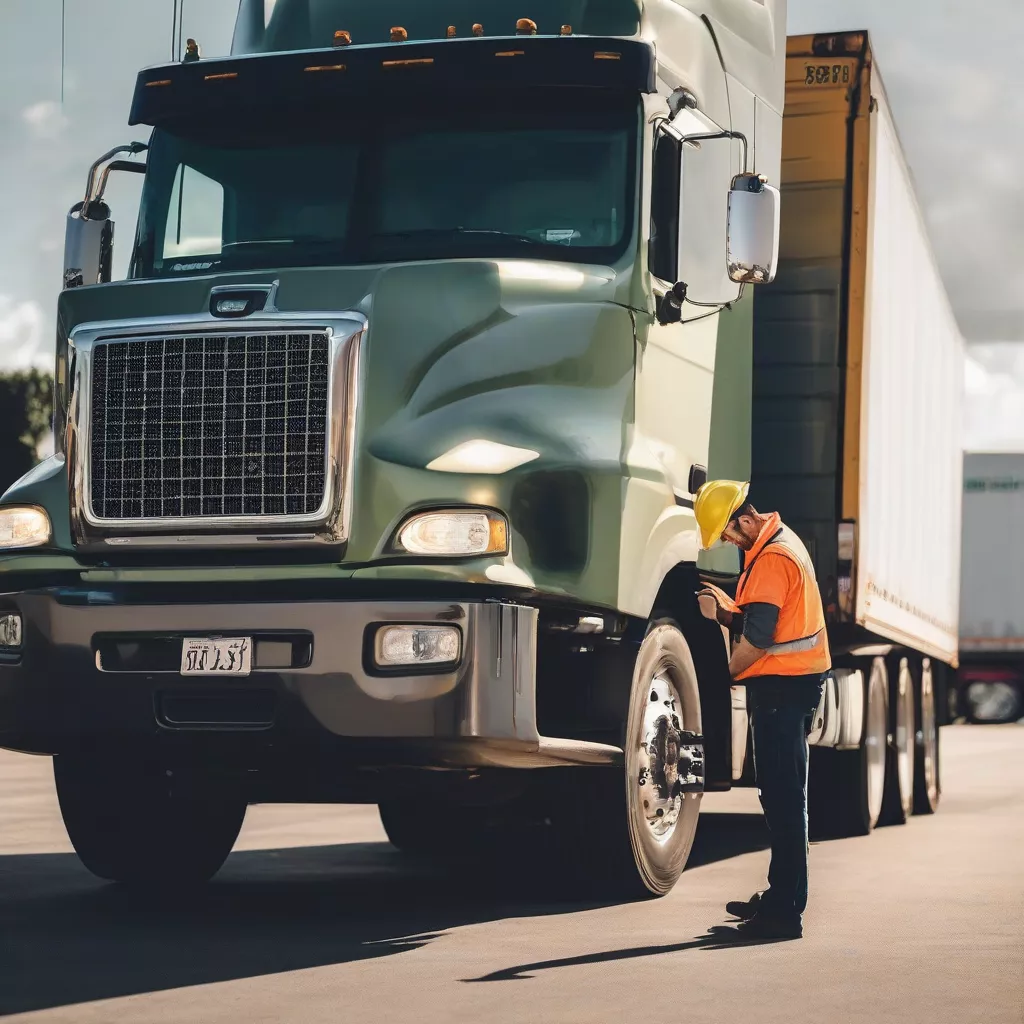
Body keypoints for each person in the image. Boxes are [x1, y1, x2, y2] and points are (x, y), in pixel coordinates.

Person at [693, 479, 831, 940]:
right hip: (791, 685)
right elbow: (762, 619)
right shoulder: (776, 544)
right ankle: (783, 897)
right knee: (787, 798)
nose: (728, 543)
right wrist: (725, 613)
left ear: (746, 520)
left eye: (729, 535)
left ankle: (782, 914)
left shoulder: (772, 557)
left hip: (783, 689)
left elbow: (761, 638)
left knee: (783, 800)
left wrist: (725, 674)